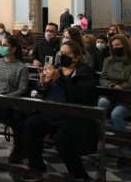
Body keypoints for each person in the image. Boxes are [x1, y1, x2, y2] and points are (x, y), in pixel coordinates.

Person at [24, 40, 98, 181]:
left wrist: (58, 80)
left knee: (62, 140)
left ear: (76, 56)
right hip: (50, 112)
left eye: (67, 53)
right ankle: (36, 168)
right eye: (61, 53)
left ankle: (79, 174)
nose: (63, 56)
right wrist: (42, 83)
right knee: (30, 125)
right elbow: (44, 92)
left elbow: (80, 96)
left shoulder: (84, 72)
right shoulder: (57, 68)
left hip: (71, 116)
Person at [98, 34, 131, 133]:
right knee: (102, 103)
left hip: (126, 97)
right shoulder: (108, 61)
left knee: (116, 114)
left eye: (117, 45)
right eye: (113, 46)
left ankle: (122, 143)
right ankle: (99, 135)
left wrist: (120, 87)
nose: (115, 48)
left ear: (124, 46)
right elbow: (103, 78)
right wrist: (112, 85)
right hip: (110, 93)